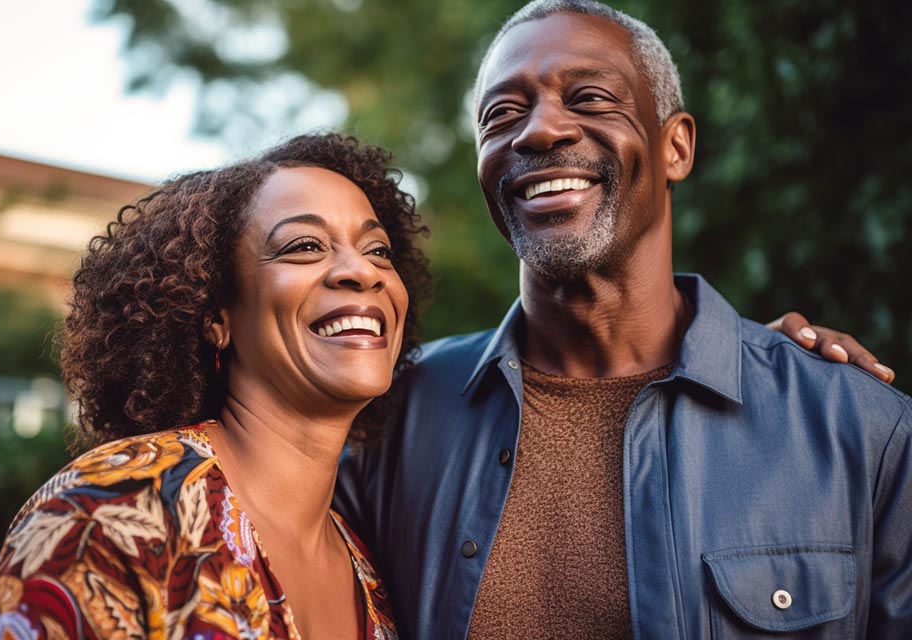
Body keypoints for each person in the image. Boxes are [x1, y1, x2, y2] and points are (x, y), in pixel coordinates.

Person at [334, 2, 911, 638]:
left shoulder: (860, 431)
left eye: (589, 98)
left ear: (676, 146)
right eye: (502, 115)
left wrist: (779, 372)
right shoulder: (386, 419)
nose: (540, 131)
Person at [0, 134, 430, 639]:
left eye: (377, 250)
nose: (362, 271)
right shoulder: (111, 512)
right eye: (304, 246)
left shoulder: (371, 573)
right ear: (215, 315)